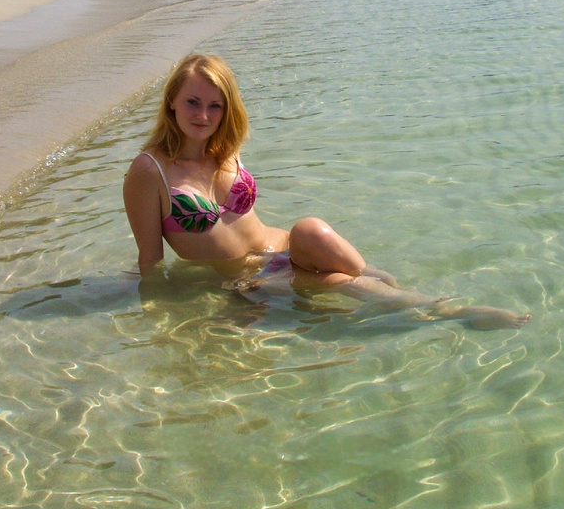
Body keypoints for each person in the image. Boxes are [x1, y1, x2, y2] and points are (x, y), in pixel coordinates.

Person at [123, 54, 530, 329]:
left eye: (216, 106)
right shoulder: (149, 171)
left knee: (321, 235)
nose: (203, 115)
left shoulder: (225, 149)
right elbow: (150, 260)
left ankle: (399, 292)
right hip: (248, 278)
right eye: (193, 102)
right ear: (171, 101)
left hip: (288, 246)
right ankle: (453, 313)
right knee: (344, 284)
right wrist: (164, 323)